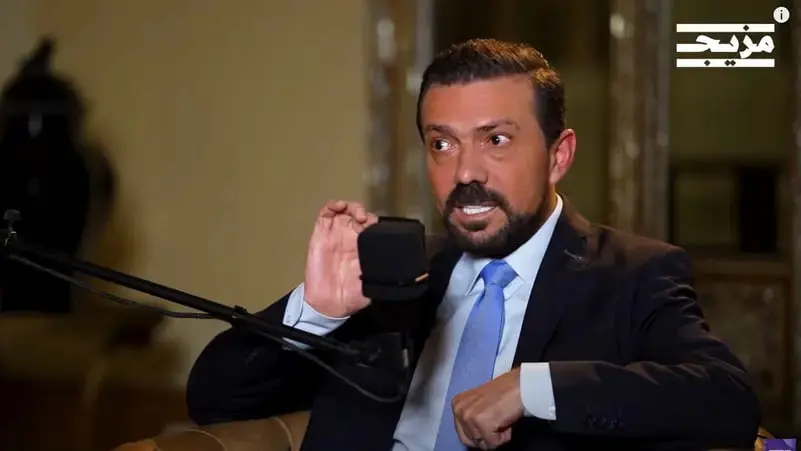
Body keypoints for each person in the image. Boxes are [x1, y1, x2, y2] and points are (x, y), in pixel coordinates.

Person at [186, 39, 760, 450]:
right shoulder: (393, 274)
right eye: (442, 144)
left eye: (496, 140)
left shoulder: (631, 273)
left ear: (558, 155)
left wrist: (534, 387)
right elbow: (215, 402)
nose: (465, 173)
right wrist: (315, 313)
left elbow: (728, 401)